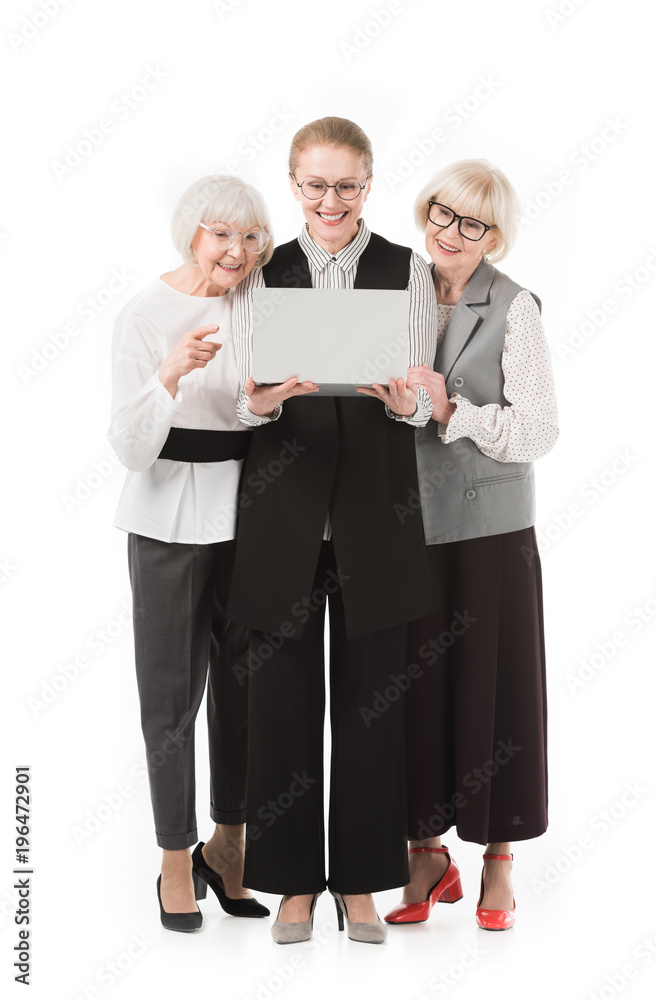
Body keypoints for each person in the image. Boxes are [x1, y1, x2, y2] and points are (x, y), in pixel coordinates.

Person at [228, 116, 439, 944]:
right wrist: (260, 402)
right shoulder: (262, 270)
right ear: (292, 185)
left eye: (345, 184)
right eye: (314, 184)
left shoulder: (405, 270)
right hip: (281, 516)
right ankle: (289, 885)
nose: (330, 200)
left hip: (375, 516)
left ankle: (359, 883)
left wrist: (406, 402)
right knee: (279, 701)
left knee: (370, 704)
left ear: (368, 184)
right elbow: (239, 398)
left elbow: (421, 392)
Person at [384, 159, 558, 931]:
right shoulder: (400, 291)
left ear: (496, 237)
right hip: (404, 526)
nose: (450, 233)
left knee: (496, 687)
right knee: (411, 691)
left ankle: (497, 862)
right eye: (441, 214)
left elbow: (537, 431)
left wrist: (451, 410)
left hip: (489, 531)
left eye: (473, 224)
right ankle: (424, 855)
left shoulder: (513, 308)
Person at [108, 175, 272, 931]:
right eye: (220, 235)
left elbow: (259, 410)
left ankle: (228, 845)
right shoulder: (144, 314)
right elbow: (131, 448)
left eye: (248, 236)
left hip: (251, 517)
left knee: (246, 689)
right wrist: (169, 375)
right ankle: (174, 856)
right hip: (168, 517)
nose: (235, 251)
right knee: (171, 700)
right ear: (191, 235)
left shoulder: (262, 302)